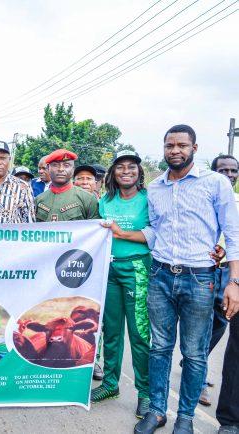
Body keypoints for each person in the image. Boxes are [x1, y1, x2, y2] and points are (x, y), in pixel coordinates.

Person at [106, 125, 239, 434]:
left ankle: (185, 418)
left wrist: (234, 282)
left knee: (193, 352)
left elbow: (232, 235)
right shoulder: (155, 188)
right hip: (161, 275)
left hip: (200, 279)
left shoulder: (216, 183)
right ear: (163, 149)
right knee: (160, 348)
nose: (175, 150)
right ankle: (157, 411)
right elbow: (155, 231)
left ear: (194, 147)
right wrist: (123, 234)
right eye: (170, 145)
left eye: (181, 145)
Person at [90, 150, 151, 419]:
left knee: (139, 333)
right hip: (109, 269)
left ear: (139, 172)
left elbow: (156, 235)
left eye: (131, 167)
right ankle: (110, 384)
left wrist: (122, 233)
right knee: (111, 330)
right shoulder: (106, 200)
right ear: (113, 172)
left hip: (136, 268)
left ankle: (146, 393)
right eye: (120, 167)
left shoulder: (149, 201)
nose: (126, 171)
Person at [200, 155, 239, 408]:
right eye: (223, 169)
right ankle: (200, 379)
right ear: (214, 173)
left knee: (221, 324)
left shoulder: (237, 201)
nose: (229, 174)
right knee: (203, 325)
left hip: (230, 271)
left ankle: (196, 360)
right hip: (208, 268)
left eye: (233, 170)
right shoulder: (208, 197)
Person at [34, 149, 99, 222]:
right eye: (55, 165)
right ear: (48, 168)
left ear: (73, 169)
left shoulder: (88, 199)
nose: (61, 169)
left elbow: (95, 230)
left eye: (66, 165)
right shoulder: (38, 200)